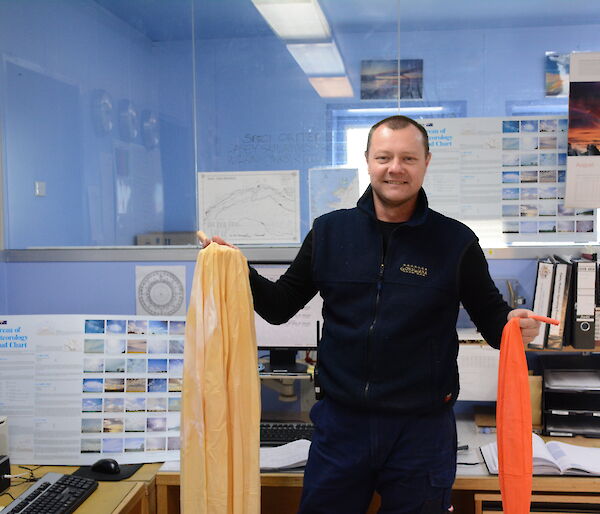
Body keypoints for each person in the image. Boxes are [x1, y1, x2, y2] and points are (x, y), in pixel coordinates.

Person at [202, 115, 540, 514]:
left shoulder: (456, 242)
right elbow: (279, 307)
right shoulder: (329, 233)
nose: (395, 168)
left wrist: (519, 327)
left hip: (422, 432)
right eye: (384, 157)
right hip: (341, 426)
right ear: (368, 160)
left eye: (408, 158)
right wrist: (236, 267)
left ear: (426, 162)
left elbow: (495, 324)